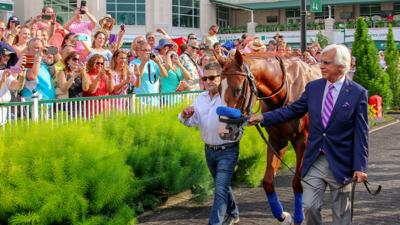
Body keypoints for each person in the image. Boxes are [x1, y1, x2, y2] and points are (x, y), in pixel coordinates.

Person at [248, 44, 368, 225]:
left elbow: (361, 133)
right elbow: (292, 110)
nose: (320, 66)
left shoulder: (358, 93)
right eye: (321, 61)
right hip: (314, 159)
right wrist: (263, 117)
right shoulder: (313, 88)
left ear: (341, 67)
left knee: (341, 215)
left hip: (341, 162)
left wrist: (360, 166)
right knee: (310, 206)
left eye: (326, 63)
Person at [179, 62, 240, 225]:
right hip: (209, 151)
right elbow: (191, 122)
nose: (208, 81)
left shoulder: (229, 97)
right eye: (205, 78)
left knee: (220, 188)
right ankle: (233, 213)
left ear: (221, 78)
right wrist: (185, 115)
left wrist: (235, 125)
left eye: (212, 77)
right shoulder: (200, 98)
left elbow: (241, 122)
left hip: (228, 150)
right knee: (222, 186)